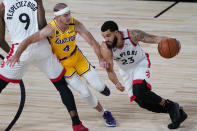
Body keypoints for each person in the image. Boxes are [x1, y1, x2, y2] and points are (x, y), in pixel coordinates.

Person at [6, 3, 116, 127]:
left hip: (78, 58)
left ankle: (97, 85)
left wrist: (100, 58)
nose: (69, 17)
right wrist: (17, 55)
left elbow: (91, 41)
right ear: (58, 17)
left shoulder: (75, 24)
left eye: (69, 14)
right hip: (64, 65)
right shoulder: (50, 29)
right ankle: (104, 112)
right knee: (85, 93)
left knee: (99, 86)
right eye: (65, 15)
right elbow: (28, 40)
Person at [0, 0, 88, 131]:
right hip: (42, 47)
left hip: (20, 50)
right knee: (61, 85)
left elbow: (0, 40)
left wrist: (14, 56)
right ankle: (76, 124)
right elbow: (42, 26)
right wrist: (40, 4)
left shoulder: (3, 6)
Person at [100, 20, 187, 129]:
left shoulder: (132, 35)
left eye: (108, 35)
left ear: (116, 32)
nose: (106, 39)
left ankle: (170, 105)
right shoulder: (105, 48)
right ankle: (177, 111)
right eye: (104, 36)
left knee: (139, 90)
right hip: (126, 71)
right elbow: (110, 70)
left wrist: (173, 41)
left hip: (140, 64)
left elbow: (155, 38)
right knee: (142, 102)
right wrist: (116, 82)